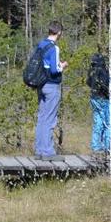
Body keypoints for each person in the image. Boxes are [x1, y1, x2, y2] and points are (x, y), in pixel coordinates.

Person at [34, 22, 67, 159]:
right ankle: (47, 151)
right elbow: (54, 70)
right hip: (51, 85)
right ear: (59, 32)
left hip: (41, 84)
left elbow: (44, 65)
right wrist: (63, 65)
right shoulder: (54, 48)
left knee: (42, 117)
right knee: (50, 119)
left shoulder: (41, 45)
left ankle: (39, 150)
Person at [86, 49, 111, 154]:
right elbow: (105, 84)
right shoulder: (102, 70)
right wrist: (110, 91)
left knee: (97, 122)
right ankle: (107, 147)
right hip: (103, 98)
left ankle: (96, 146)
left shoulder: (91, 70)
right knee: (108, 123)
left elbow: (88, 82)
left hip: (94, 97)